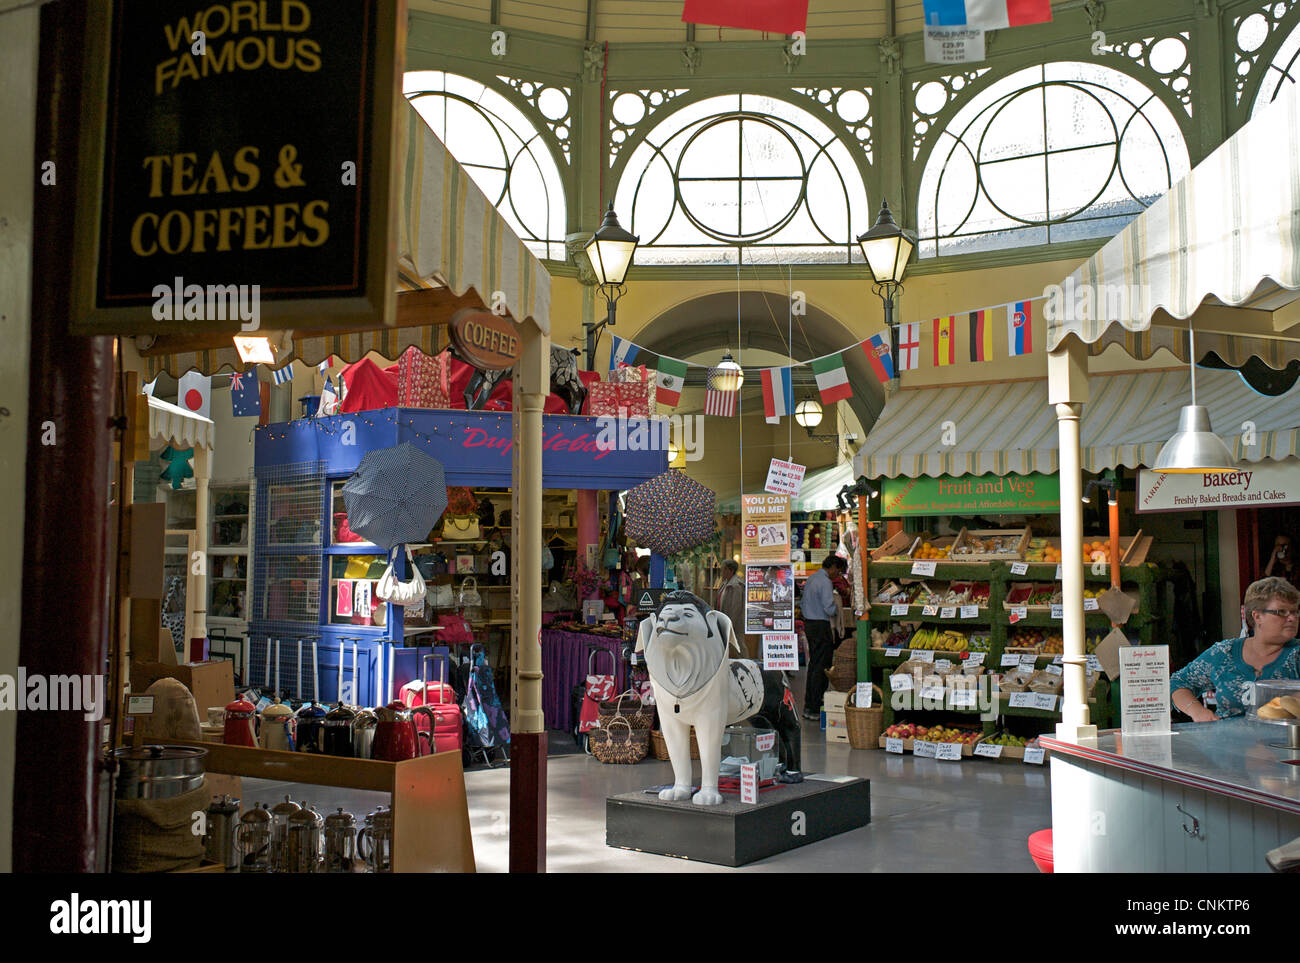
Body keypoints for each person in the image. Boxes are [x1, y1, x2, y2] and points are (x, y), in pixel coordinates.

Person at [1170, 577, 1300, 721]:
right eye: (1281, 612)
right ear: (1257, 616)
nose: (1292, 618)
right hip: (1227, 741)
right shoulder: (1224, 653)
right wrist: (1197, 711)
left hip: (1286, 742)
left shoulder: (1296, 655)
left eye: (1295, 612)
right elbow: (1178, 682)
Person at [800, 555, 847, 721]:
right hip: (821, 626)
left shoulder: (812, 578)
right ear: (833, 567)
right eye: (838, 571)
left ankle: (808, 705)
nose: (838, 575)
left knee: (813, 665)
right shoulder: (826, 582)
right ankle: (814, 707)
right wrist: (838, 608)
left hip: (809, 625)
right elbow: (829, 608)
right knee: (822, 666)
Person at [716, 560, 749, 657]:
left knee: (738, 645)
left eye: (724, 569)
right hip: (725, 620)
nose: (722, 572)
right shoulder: (725, 583)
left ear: (730, 570)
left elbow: (735, 607)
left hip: (734, 623)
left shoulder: (736, 585)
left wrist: (730, 623)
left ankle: (747, 665)